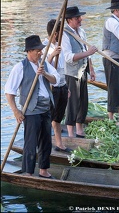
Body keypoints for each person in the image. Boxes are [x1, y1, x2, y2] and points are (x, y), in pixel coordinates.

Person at [5, 35, 60, 178]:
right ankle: (28, 172)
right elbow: (9, 92)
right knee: (31, 143)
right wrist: (16, 111)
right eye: (38, 50)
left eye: (41, 50)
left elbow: (56, 80)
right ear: (29, 51)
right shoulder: (20, 67)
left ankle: (43, 170)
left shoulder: (45, 65)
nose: (41, 53)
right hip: (31, 110)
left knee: (46, 141)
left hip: (46, 108)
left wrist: (45, 74)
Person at [61, 6, 98, 138]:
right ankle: (70, 132)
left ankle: (79, 129)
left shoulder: (81, 31)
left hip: (82, 70)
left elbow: (88, 53)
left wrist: (91, 69)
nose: (80, 19)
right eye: (77, 18)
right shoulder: (65, 34)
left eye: (80, 17)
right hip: (71, 73)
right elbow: (68, 57)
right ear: (69, 20)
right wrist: (87, 52)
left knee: (83, 100)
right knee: (73, 102)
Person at [42, 19, 72, 153]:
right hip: (51, 87)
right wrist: (52, 55)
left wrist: (67, 86)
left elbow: (62, 69)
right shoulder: (44, 47)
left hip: (62, 85)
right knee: (50, 116)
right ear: (55, 34)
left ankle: (59, 144)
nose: (62, 36)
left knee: (58, 117)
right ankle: (44, 143)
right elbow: (43, 68)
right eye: (60, 33)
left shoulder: (61, 46)